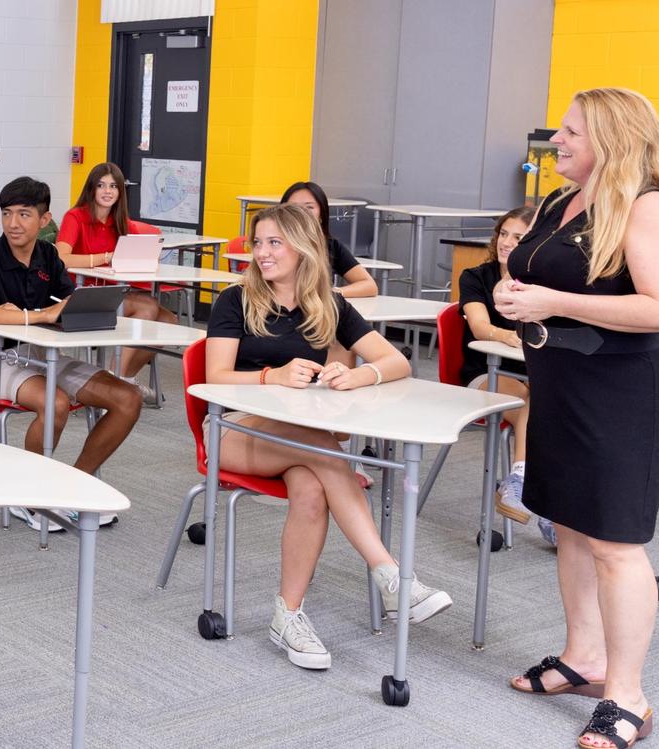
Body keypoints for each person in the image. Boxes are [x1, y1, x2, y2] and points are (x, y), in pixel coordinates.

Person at [497, 88, 659, 749]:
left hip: (625, 391)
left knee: (613, 542)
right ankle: (584, 659)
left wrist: (552, 299)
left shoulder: (652, 204)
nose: (556, 139)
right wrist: (512, 291)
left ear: (610, 137)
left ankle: (627, 693)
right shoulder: (561, 202)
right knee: (574, 531)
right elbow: (533, 274)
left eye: (571, 131)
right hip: (560, 385)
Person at [204, 203, 452, 671]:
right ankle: (389, 573)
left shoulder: (329, 305)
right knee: (326, 449)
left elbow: (396, 362)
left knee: (313, 488)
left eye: (274, 242)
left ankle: (288, 615)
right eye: (258, 243)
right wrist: (270, 378)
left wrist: (360, 376)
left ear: (302, 248)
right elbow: (214, 374)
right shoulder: (234, 301)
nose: (262, 253)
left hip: (299, 443)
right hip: (231, 429)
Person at [0, 176, 144, 531]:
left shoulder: (48, 256)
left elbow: (66, 303)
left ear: (44, 220)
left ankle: (70, 486)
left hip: (45, 354)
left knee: (128, 397)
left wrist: (82, 311)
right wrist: (35, 316)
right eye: (7, 214)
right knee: (56, 403)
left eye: (24, 215)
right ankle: (29, 496)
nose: (13, 223)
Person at [456, 205, 554, 545]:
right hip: (484, 374)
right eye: (504, 234)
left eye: (518, 237)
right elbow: (480, 327)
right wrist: (511, 337)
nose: (506, 242)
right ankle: (522, 480)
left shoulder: (543, 286)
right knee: (536, 402)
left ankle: (554, 508)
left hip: (535, 377)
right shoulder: (475, 277)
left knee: (562, 411)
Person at [54, 162, 184, 387]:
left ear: (120, 191)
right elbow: (62, 258)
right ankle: (114, 384)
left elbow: (134, 254)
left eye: (113, 186)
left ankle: (124, 377)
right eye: (102, 185)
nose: (107, 191)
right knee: (148, 307)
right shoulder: (75, 216)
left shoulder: (121, 220)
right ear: (91, 189)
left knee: (168, 322)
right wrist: (105, 257)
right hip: (83, 293)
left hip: (115, 291)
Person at [279, 181, 378, 297]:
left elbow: (369, 285)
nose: (301, 213)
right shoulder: (272, 245)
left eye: (309, 207)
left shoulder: (330, 246)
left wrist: (331, 293)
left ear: (321, 214)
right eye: (294, 208)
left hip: (317, 311)